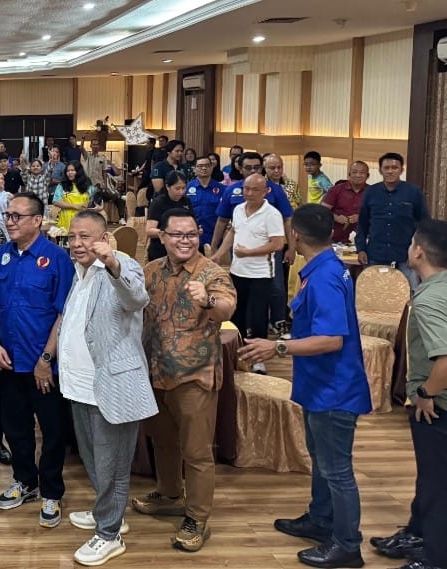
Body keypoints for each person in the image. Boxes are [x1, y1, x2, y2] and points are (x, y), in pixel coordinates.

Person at [239, 204, 371, 569]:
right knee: (322, 460)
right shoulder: (324, 267)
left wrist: (277, 347)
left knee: (337, 470)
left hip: (334, 389)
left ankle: (347, 545)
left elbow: (331, 339)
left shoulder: (325, 276)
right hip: (320, 385)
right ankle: (321, 519)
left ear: (295, 235)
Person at [59, 211, 156, 566]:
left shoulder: (122, 265)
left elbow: (136, 298)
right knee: (94, 459)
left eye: (85, 236)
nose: (77, 243)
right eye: (72, 237)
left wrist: (112, 263)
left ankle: (109, 534)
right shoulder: (80, 272)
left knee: (112, 465)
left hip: (112, 386)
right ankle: (108, 511)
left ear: (104, 238)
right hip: (80, 385)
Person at [138, 209, 237, 553]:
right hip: (157, 373)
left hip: (194, 376)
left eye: (191, 234)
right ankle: (169, 494)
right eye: (178, 234)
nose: (185, 241)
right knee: (163, 441)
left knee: (196, 453)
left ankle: (197, 517)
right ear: (163, 237)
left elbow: (226, 307)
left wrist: (206, 299)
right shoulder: (152, 270)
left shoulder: (211, 272)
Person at [0, 192, 74, 528]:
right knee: (15, 427)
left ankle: (51, 491)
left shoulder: (56, 259)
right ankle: (25, 481)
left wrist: (46, 358)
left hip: (43, 365)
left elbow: (63, 313)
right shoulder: (2, 254)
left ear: (37, 220)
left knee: (52, 431)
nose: (10, 222)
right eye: (7, 216)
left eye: (17, 216)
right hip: (8, 361)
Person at [391, 219, 447, 569]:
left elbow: (445, 358)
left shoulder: (428, 300)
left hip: (437, 406)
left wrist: (426, 393)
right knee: (430, 476)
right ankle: (417, 533)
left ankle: (436, 557)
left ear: (419, 252)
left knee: (437, 481)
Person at [212, 174, 285, 374]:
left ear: (266, 192)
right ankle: (238, 352)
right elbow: (233, 232)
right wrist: (219, 254)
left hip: (261, 274)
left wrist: (249, 253)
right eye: (246, 188)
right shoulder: (237, 209)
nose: (249, 193)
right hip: (237, 271)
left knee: (258, 316)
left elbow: (278, 244)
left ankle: (259, 359)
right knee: (237, 313)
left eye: (255, 190)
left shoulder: (272, 214)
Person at [355, 152, 428, 291]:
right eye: (386, 168)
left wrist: (419, 250)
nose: (390, 171)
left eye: (394, 168)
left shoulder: (413, 192)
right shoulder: (370, 192)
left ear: (401, 170)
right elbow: (363, 224)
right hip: (376, 253)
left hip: (406, 255)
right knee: (374, 293)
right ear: (380, 170)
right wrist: (361, 249)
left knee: (409, 293)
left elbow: (424, 224)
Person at [145, 171, 193, 262]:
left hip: (182, 248)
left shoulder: (186, 201)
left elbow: (191, 222)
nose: (181, 192)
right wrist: (170, 233)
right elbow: (149, 230)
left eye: (183, 188)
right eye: (177, 188)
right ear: (167, 187)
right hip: (161, 250)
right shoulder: (158, 203)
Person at [321, 162, 369, 244]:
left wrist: (361, 217)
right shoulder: (336, 190)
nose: (357, 175)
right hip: (335, 239)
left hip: (363, 239)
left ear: (367, 176)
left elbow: (379, 214)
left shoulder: (373, 192)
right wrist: (336, 217)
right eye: (354, 172)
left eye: (362, 173)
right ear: (349, 175)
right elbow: (322, 210)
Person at [82, 138, 127, 224]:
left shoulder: (102, 158)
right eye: (94, 144)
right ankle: (92, 219)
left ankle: (121, 218)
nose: (95, 146)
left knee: (118, 198)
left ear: (99, 146)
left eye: (97, 144)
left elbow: (105, 172)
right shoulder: (87, 156)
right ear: (91, 146)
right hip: (89, 187)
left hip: (101, 187)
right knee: (95, 196)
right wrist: (83, 140)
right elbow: (81, 148)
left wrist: (105, 185)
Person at [186, 157, 226, 251]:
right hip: (191, 236)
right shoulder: (186, 188)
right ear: (194, 169)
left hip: (215, 237)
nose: (204, 168)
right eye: (200, 166)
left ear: (212, 168)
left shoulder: (223, 189)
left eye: (207, 166)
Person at [52, 162, 99, 231]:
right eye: (68, 171)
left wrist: (96, 207)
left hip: (83, 219)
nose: (70, 173)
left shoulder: (87, 185)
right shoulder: (62, 185)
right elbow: (56, 201)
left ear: (79, 171)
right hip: (66, 220)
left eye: (72, 170)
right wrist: (75, 206)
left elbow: (93, 201)